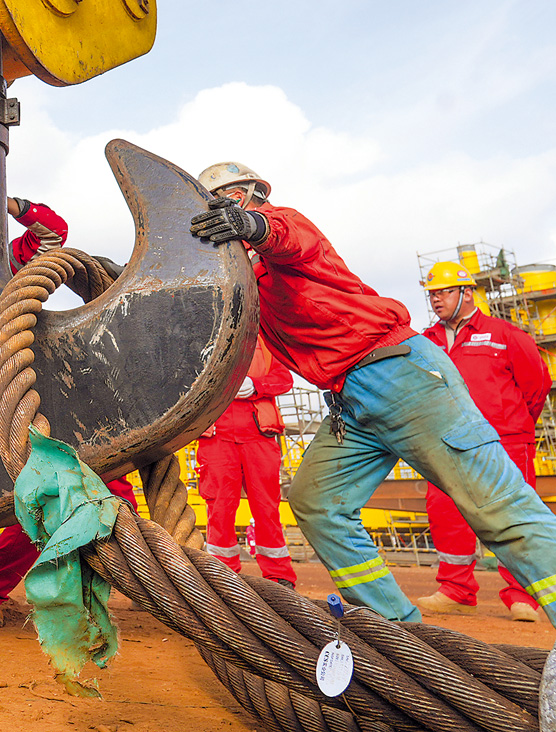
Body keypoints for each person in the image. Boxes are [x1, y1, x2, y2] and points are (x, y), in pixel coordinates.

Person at [190, 161, 556, 623]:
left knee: (496, 508)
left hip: (399, 375)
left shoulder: (283, 231)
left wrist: (252, 225)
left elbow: (285, 232)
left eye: (231, 203)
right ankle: (397, 631)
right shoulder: (246, 278)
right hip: (350, 400)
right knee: (317, 502)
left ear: (248, 197)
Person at [0, 196, 138, 626]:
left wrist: (4, 201)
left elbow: (53, 232)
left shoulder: (13, 262)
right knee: (56, 492)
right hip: (7, 395)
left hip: (40, 385)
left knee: (109, 492)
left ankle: (125, 583)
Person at [416, 261, 552, 622]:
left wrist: (514, 423)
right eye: (432, 293)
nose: (436, 299)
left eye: (444, 291)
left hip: (504, 441)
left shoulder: (504, 334)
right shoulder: (425, 342)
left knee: (512, 516)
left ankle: (523, 595)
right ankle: (456, 589)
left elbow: (537, 384)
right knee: (445, 513)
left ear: (467, 292)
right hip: (447, 443)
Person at [195, 334, 297, 588]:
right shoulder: (199, 338)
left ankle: (279, 576)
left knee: (266, 508)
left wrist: (256, 385)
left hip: (257, 436)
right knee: (219, 509)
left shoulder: (267, 342)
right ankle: (222, 574)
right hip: (217, 435)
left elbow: (284, 379)